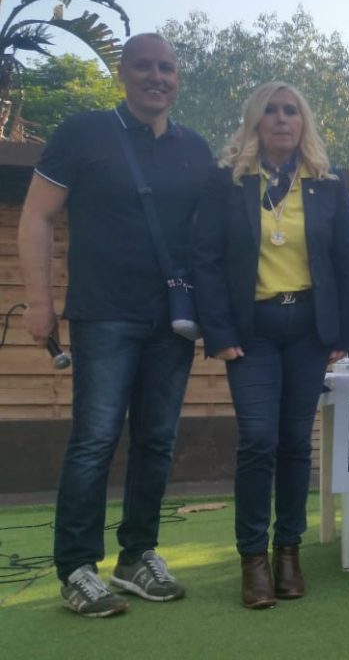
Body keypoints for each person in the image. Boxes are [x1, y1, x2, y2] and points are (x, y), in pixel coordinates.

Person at [18, 34, 212, 618]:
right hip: (103, 313)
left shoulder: (195, 148)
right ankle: (77, 567)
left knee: (157, 440)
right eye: (145, 67)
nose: (158, 77)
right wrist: (38, 301)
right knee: (95, 440)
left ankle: (137, 557)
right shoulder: (83, 132)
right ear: (123, 73)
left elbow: (212, 237)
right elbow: (36, 216)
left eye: (168, 69)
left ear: (178, 78)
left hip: (172, 321)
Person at [193, 81, 349, 608]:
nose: (283, 119)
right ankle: (253, 561)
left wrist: (342, 335)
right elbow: (207, 260)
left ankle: (289, 551)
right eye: (272, 111)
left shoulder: (327, 185)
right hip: (253, 332)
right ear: (255, 121)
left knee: (294, 443)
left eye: (292, 111)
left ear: (303, 122)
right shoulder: (228, 182)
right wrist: (219, 333)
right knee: (258, 441)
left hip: (309, 331)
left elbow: (343, 264)